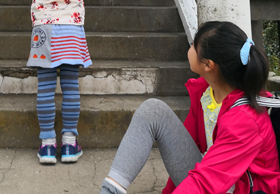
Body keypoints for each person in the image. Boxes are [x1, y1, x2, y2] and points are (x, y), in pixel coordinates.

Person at [99, 21, 280, 194]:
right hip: (215, 176)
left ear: (208, 64)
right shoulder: (206, 93)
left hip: (237, 188)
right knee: (153, 111)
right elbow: (183, 151)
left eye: (194, 45)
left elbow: (205, 182)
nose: (190, 47)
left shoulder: (245, 120)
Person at [26, 0, 91, 165]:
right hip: (71, 29)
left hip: (43, 29)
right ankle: (69, 143)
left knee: (45, 87)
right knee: (71, 87)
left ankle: (47, 145)